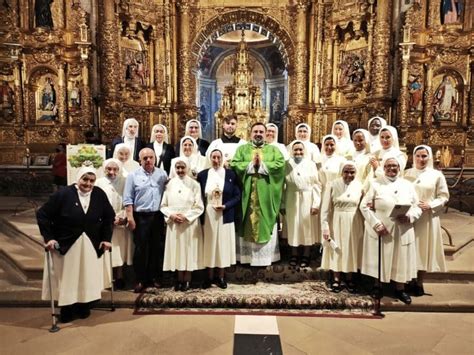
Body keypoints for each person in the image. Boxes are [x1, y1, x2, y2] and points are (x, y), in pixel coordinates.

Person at [37, 166, 114, 323]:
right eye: (85, 179)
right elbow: (43, 214)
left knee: (87, 275)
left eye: (92, 180)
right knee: (69, 277)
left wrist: (106, 238)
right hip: (67, 242)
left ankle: (84, 305)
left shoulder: (99, 194)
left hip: (91, 243)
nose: (88, 183)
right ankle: (67, 307)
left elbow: (109, 216)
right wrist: (49, 238)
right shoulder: (64, 194)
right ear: (78, 178)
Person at [360, 154, 422, 304]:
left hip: (403, 227)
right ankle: (377, 285)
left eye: (394, 166)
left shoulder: (408, 185)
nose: (391, 169)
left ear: (399, 168)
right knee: (379, 256)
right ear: (383, 168)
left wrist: (410, 217)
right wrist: (376, 224)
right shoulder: (375, 183)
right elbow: (364, 206)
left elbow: (417, 206)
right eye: (388, 166)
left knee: (401, 258)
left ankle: (400, 289)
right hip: (383, 228)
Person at [231, 122, 285, 266]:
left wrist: (261, 165)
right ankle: (246, 258)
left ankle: (265, 258)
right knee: (247, 220)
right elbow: (235, 164)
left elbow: (280, 166)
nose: (258, 134)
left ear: (266, 133)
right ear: (250, 133)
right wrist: (251, 165)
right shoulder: (242, 149)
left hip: (266, 196)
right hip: (246, 194)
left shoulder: (273, 150)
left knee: (264, 220)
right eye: (256, 131)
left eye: (261, 131)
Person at [404, 145, 449, 295]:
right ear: (413, 157)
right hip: (408, 216)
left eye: (424, 156)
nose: (421, 159)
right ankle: (407, 279)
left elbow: (444, 196)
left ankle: (419, 282)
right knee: (409, 248)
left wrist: (431, 205)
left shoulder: (436, 175)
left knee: (423, 248)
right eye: (418, 156)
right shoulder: (406, 173)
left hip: (427, 217)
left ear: (429, 157)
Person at [123, 148, 168, 293]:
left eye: (151, 157)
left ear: (155, 158)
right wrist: (130, 217)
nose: (148, 160)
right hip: (140, 216)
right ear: (139, 160)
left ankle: (155, 277)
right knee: (141, 249)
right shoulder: (133, 175)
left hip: (157, 216)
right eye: (145, 158)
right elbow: (128, 198)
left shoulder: (162, 174)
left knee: (157, 247)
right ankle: (140, 279)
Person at [197, 149, 241, 289]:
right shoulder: (203, 175)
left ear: (222, 159)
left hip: (225, 213)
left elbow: (237, 196)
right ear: (210, 158)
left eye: (218, 157)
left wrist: (226, 205)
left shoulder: (231, 174)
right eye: (213, 157)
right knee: (209, 245)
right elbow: (197, 195)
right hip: (208, 213)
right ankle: (209, 277)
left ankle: (221, 276)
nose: (216, 160)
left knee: (222, 246)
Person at [161, 158, 204, 291]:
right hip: (174, 223)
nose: (180, 170)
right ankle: (179, 278)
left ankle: (187, 279)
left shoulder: (195, 184)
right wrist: (172, 215)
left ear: (188, 168)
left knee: (189, 251)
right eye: (177, 167)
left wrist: (186, 216)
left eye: (182, 167)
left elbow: (199, 206)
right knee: (177, 251)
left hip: (189, 223)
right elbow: (163, 205)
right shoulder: (169, 184)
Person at [321, 161, 364, 293]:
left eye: (352, 172)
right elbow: (325, 209)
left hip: (354, 221)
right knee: (337, 249)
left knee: (351, 249)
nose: (349, 175)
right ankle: (336, 278)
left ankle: (350, 277)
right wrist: (325, 227)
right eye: (346, 171)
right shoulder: (333, 184)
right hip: (337, 221)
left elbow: (363, 206)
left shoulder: (359, 186)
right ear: (341, 171)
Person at [282, 140, 321, 268]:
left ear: (304, 151)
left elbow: (316, 184)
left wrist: (316, 203)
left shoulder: (311, 164)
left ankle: (306, 253)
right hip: (291, 197)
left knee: (306, 225)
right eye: (296, 150)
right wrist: (282, 204)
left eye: (300, 150)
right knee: (293, 225)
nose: (298, 152)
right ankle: (294, 254)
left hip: (307, 197)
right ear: (291, 151)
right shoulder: (287, 164)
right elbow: (283, 185)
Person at [95, 159, 132, 290]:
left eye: (115, 169)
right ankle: (107, 278)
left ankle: (120, 277)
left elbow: (128, 201)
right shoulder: (99, 183)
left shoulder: (124, 181)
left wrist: (122, 217)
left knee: (119, 251)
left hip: (120, 223)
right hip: (105, 223)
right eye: (109, 169)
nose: (112, 172)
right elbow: (97, 203)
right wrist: (108, 218)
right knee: (106, 250)